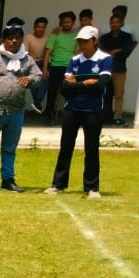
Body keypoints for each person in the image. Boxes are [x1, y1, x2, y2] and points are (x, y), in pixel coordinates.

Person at [0, 25, 41, 193]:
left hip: (16, 112)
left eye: (17, 38)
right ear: (4, 40)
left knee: (9, 149)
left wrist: (30, 79)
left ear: (21, 39)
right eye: (10, 38)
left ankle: (8, 180)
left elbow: (38, 76)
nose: (14, 41)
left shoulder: (27, 59)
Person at [46, 26, 113, 198]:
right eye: (80, 41)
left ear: (94, 41)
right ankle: (58, 184)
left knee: (91, 148)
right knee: (65, 147)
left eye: (85, 41)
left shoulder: (105, 59)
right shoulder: (74, 60)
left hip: (93, 110)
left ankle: (92, 187)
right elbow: (65, 88)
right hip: (71, 109)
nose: (82, 44)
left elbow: (100, 86)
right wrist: (85, 83)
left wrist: (77, 84)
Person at [44, 11, 79, 123]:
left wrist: (77, 69)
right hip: (56, 66)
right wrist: (45, 69)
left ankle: (70, 115)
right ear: (61, 23)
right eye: (64, 22)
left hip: (70, 68)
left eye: (68, 22)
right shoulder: (55, 35)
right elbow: (48, 53)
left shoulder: (76, 37)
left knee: (70, 91)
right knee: (52, 91)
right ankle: (49, 114)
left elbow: (77, 54)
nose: (66, 24)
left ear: (73, 23)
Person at [100, 14, 135, 125]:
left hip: (120, 69)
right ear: (110, 23)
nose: (114, 24)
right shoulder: (104, 38)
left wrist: (113, 52)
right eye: (112, 22)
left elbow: (126, 52)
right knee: (105, 94)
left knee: (119, 95)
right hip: (106, 69)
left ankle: (117, 117)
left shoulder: (127, 37)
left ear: (121, 23)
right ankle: (105, 115)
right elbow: (102, 52)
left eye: (117, 22)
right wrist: (117, 50)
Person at [25, 17, 51, 112]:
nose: (40, 29)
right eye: (38, 27)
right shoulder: (28, 37)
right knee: (34, 82)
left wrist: (45, 68)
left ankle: (37, 101)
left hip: (44, 62)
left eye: (43, 27)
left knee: (46, 79)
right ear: (34, 27)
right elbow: (25, 53)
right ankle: (37, 102)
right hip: (32, 62)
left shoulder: (48, 36)